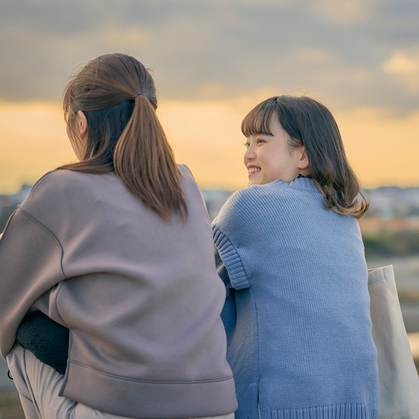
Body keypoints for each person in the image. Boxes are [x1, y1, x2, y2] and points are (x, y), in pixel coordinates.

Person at [0, 53, 237, 419]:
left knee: (24, 331)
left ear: (81, 123)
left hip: (122, 410)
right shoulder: (185, 185)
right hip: (214, 408)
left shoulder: (63, 189)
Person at [212, 96, 379, 419]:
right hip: (358, 405)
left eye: (261, 141)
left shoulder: (250, 206)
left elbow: (189, 288)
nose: (247, 153)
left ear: (303, 154)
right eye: (247, 142)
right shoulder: (344, 216)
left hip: (276, 408)